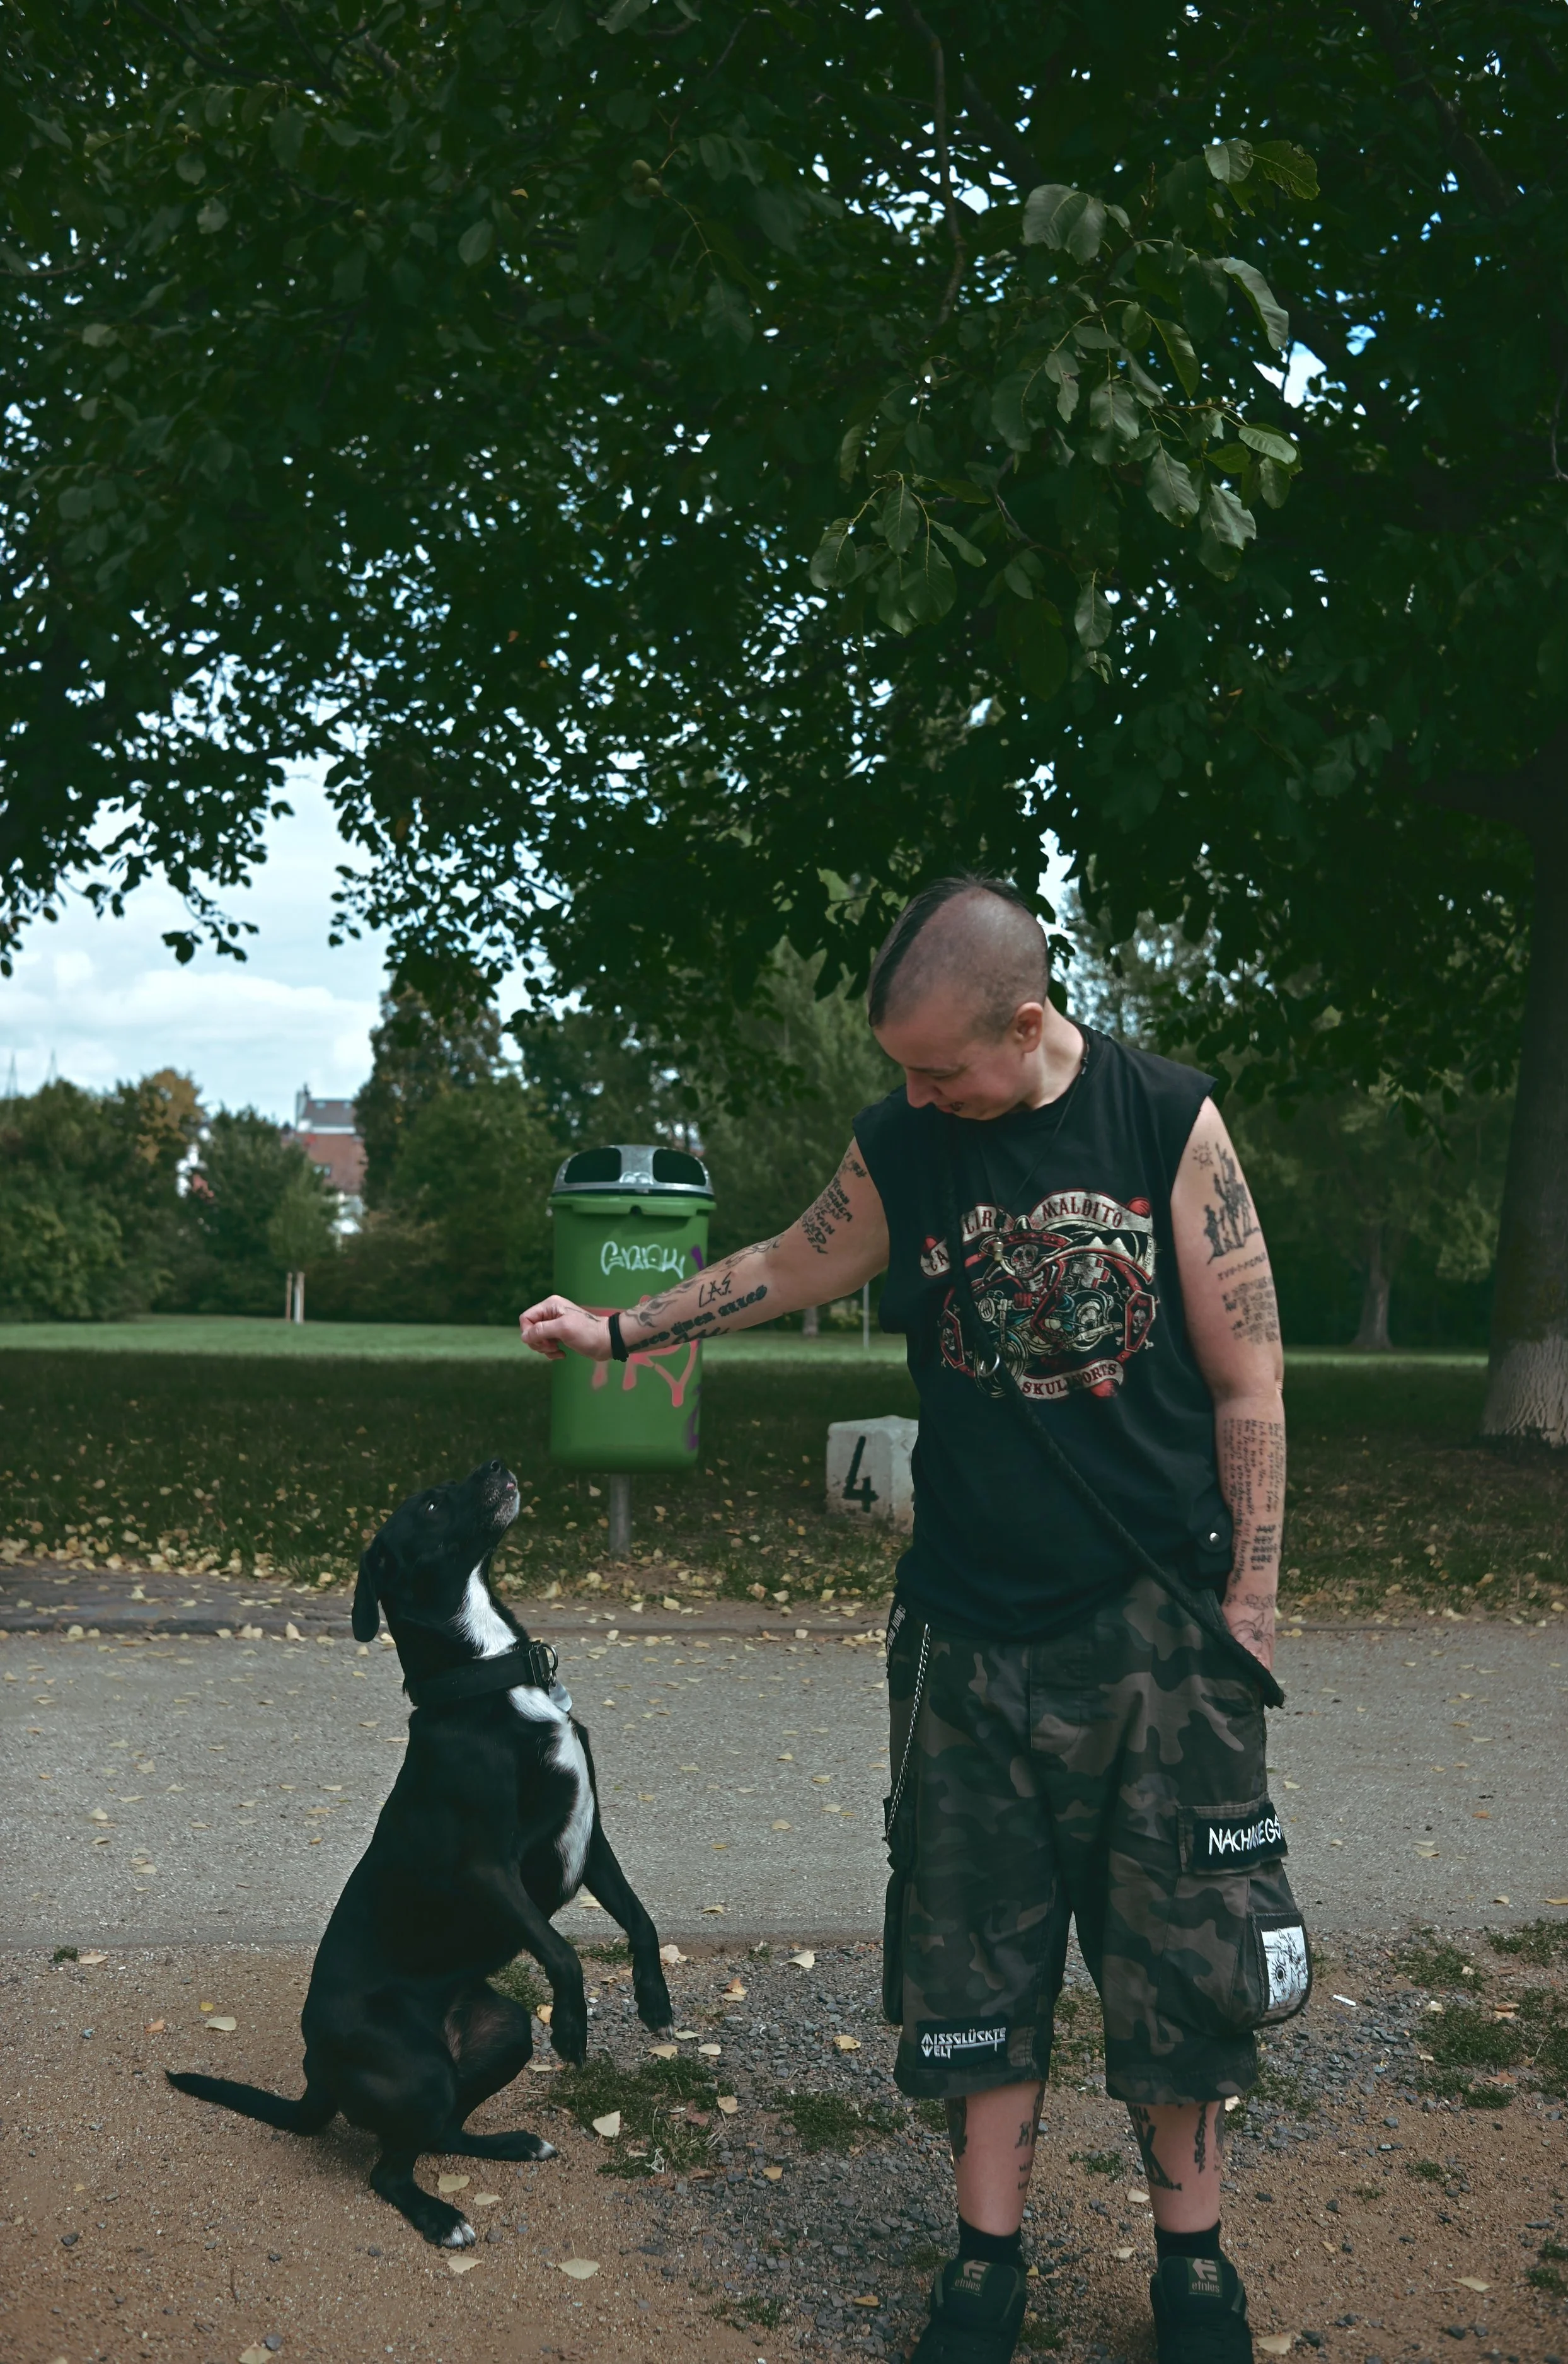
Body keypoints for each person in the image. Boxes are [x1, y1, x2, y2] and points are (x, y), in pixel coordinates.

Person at [519, 876, 1304, 2363]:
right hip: (965, 1629)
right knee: (970, 1960)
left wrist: (1249, 1608)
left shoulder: (1163, 1119)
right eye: (898, 1068)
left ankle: (1191, 2264)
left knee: (1184, 1958)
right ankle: (982, 2263)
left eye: (938, 1067)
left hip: (1160, 1630)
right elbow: (791, 1259)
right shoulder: (906, 1142)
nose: (912, 1092)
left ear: (1026, 1022)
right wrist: (617, 1329)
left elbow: (1246, 1376)